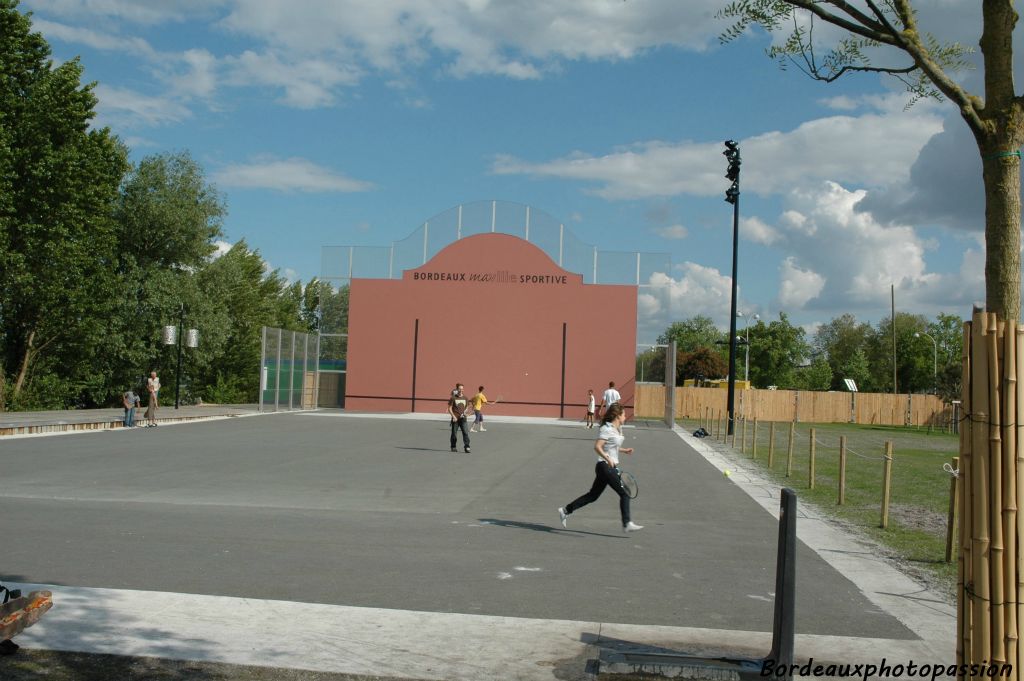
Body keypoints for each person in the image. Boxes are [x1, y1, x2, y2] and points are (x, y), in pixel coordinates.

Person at [558, 403, 643, 533]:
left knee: (593, 496)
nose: (625, 416)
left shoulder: (617, 428)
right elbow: (597, 446)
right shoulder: (607, 429)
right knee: (625, 493)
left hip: (608, 466)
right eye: (624, 414)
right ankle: (627, 523)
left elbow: (611, 446)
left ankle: (565, 510)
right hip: (605, 466)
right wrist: (608, 459)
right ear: (617, 416)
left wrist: (625, 450)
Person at [448, 383, 472, 453]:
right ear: (457, 389)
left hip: (463, 419)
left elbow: (467, 407)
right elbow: (449, 408)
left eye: (462, 389)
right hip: (455, 419)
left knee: (465, 433)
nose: (461, 390)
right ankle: (453, 446)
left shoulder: (465, 398)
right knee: (454, 434)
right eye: (459, 389)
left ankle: (467, 447)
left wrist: (465, 412)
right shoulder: (453, 398)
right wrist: (453, 416)